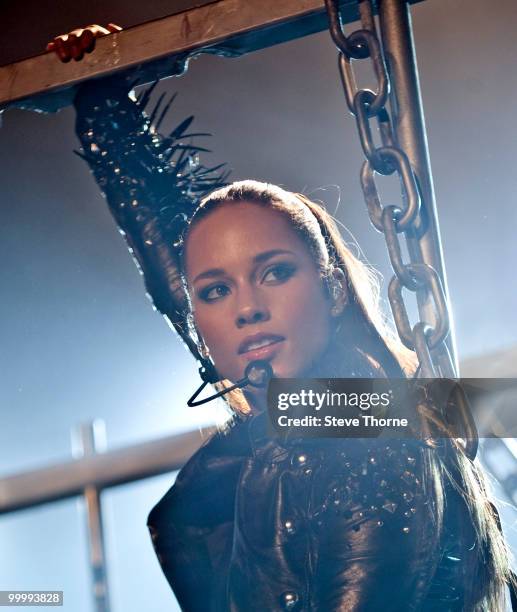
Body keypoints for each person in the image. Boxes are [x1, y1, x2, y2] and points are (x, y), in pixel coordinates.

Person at [48, 26, 516, 611]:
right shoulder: (298, 411)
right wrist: (99, 90)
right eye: (216, 290)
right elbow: (166, 257)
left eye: (274, 273)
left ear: (334, 290)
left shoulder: (367, 437)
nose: (246, 309)